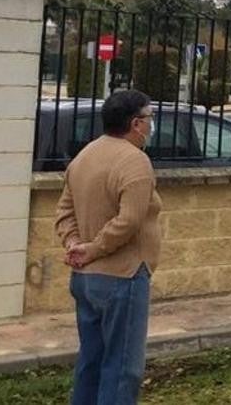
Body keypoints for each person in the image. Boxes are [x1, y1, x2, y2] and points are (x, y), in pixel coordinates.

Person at [54, 90, 162, 405]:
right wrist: (93, 248)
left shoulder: (85, 155)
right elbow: (129, 221)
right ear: (136, 123)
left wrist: (74, 243)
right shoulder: (135, 161)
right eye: (149, 118)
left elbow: (64, 211)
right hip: (123, 277)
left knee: (92, 361)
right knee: (122, 368)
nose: (151, 125)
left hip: (86, 280)